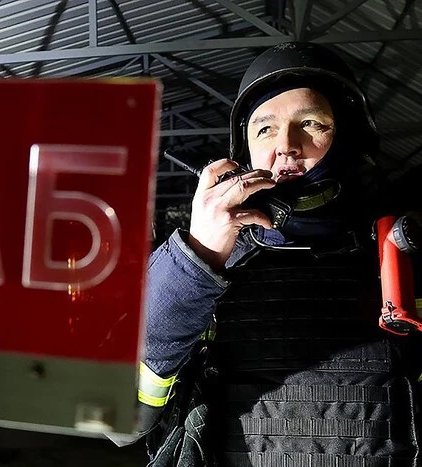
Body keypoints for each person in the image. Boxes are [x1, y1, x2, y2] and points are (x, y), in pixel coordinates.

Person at [137, 41, 422, 466]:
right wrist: (197, 257)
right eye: (265, 128)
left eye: (310, 123)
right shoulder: (197, 267)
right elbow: (118, 420)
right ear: (243, 152)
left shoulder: (402, 254)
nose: (285, 144)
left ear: (348, 136)